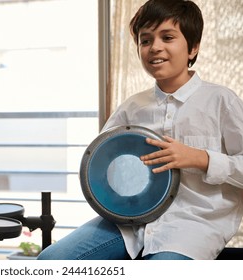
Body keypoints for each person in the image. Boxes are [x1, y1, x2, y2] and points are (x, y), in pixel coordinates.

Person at [37, 0, 243, 260]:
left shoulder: (222, 101)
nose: (155, 47)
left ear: (193, 47)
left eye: (167, 37)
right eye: (145, 40)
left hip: (193, 227)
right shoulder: (132, 107)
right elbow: (101, 165)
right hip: (127, 224)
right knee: (50, 262)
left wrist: (200, 158)